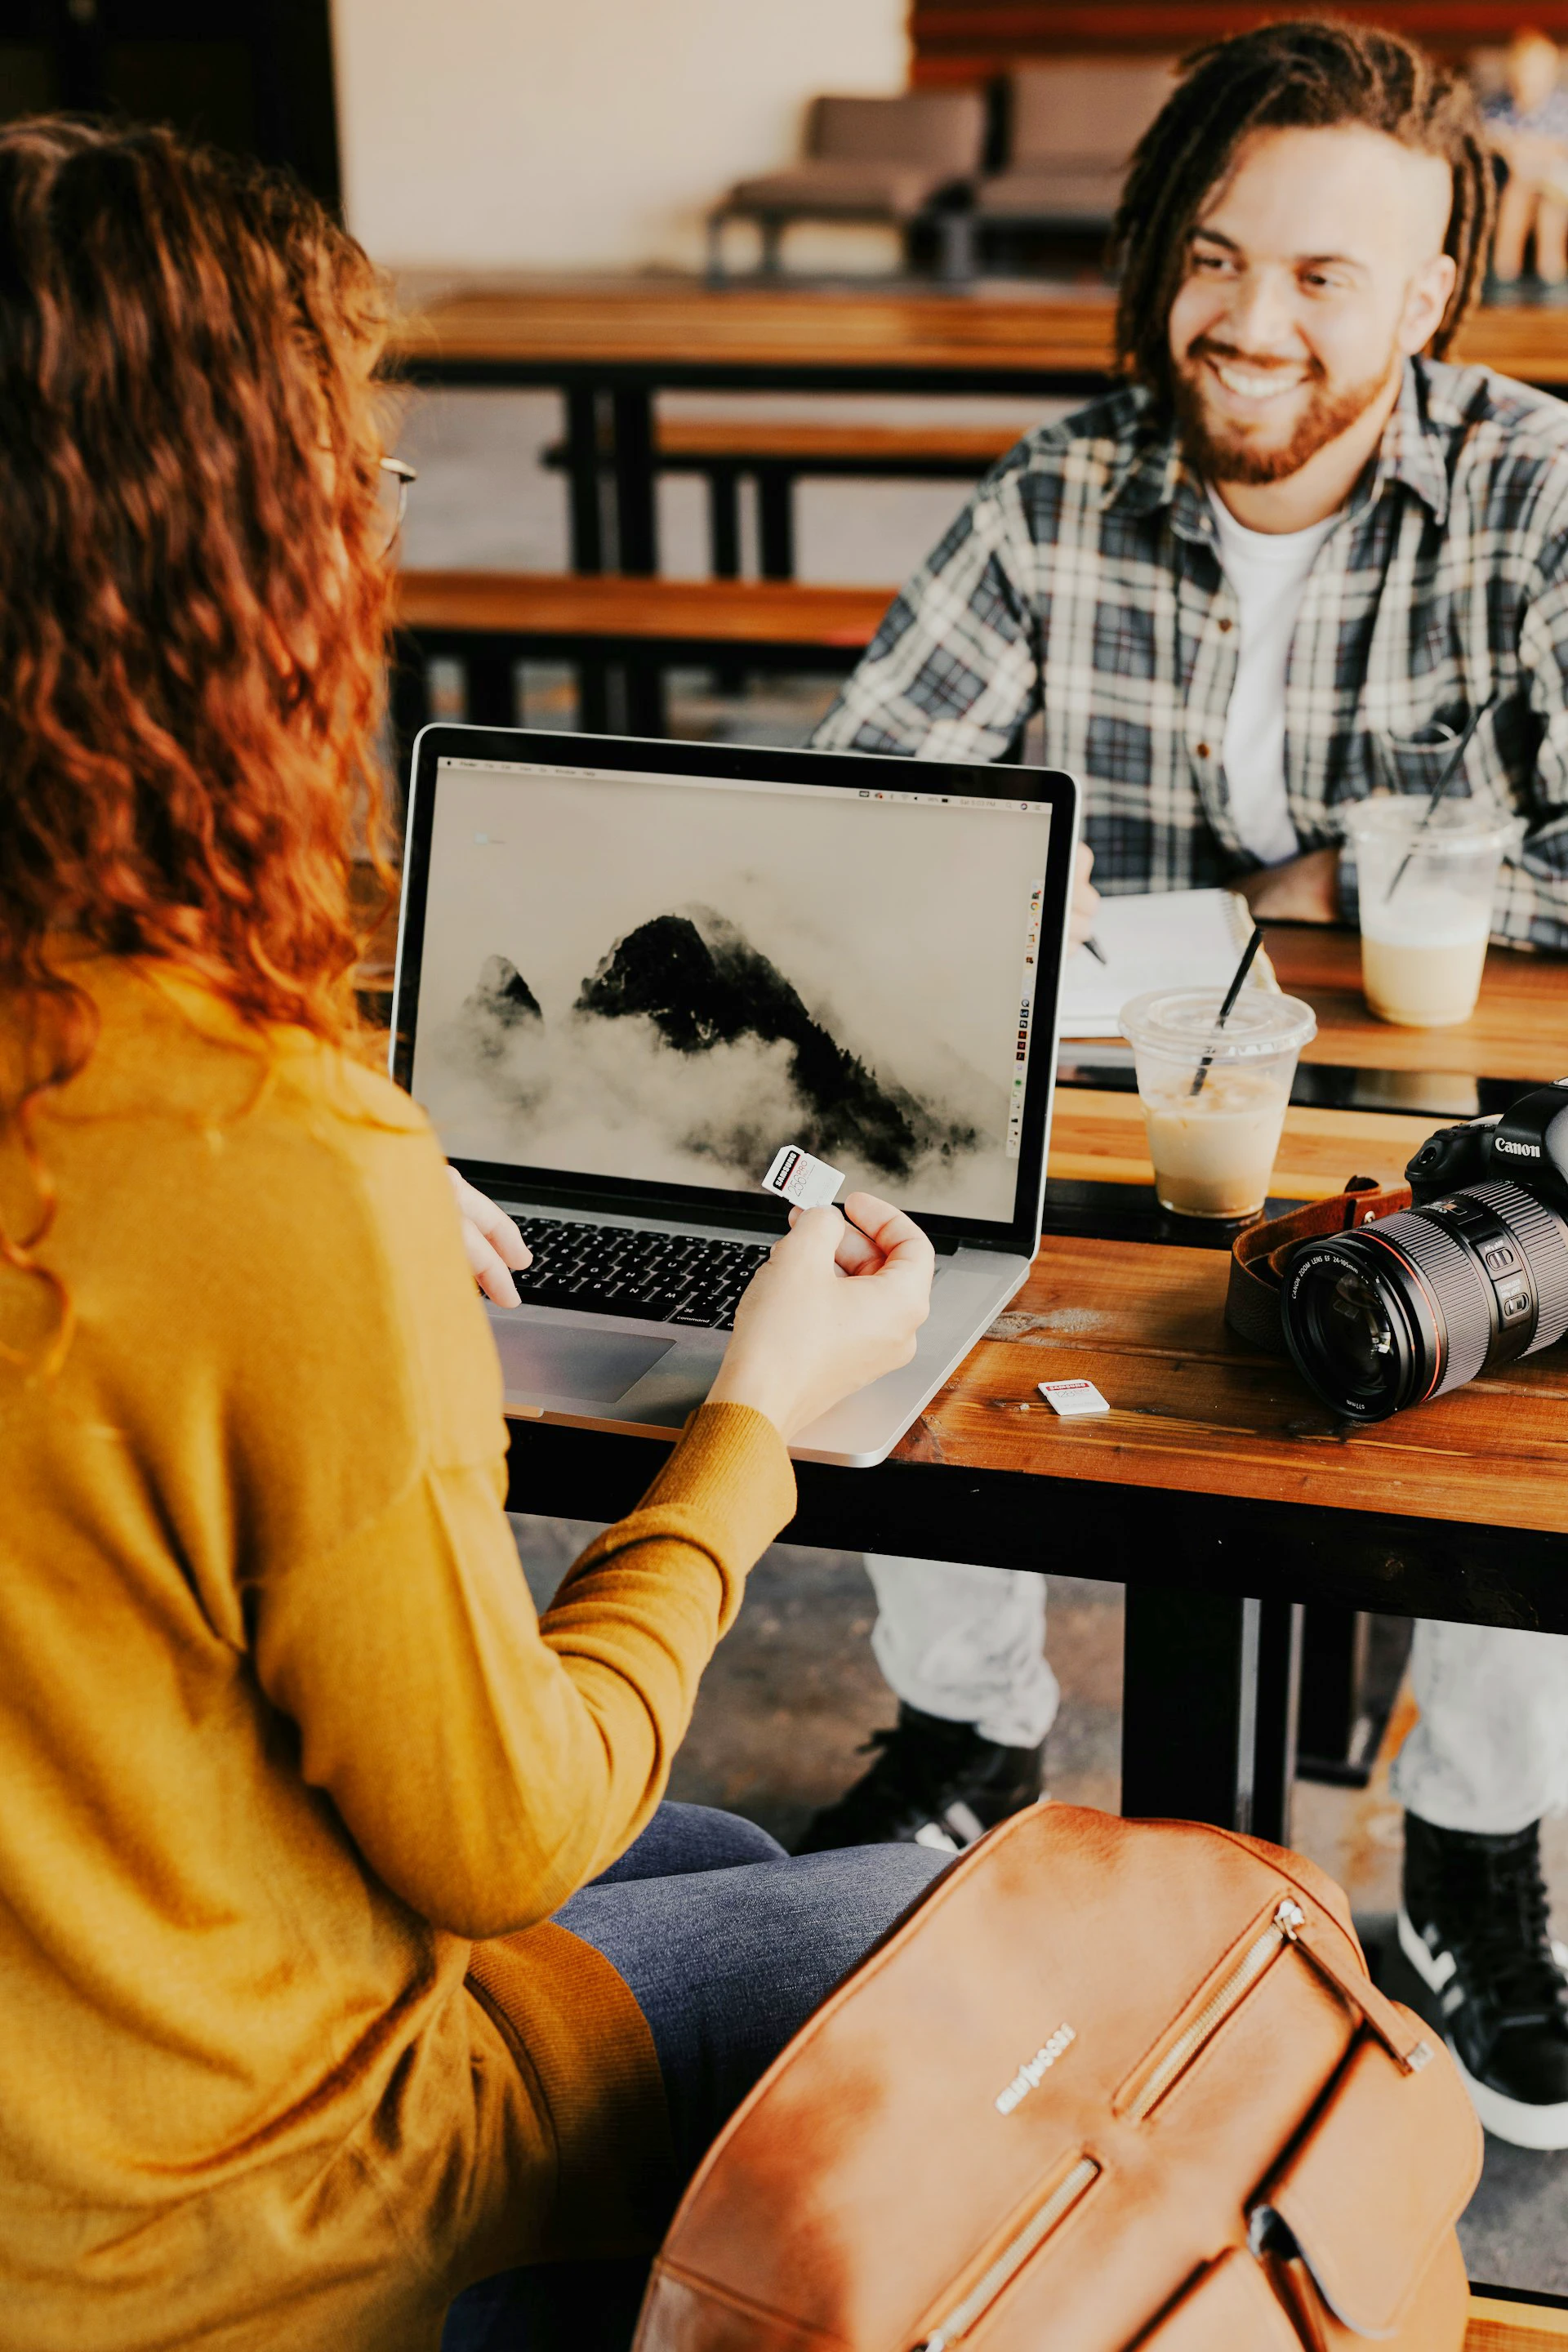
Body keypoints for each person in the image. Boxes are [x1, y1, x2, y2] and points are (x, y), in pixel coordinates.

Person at [0, 118, 946, 2352]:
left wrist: (314, 1205)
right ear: (235, 569)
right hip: (200, 2228)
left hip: (71, 2027)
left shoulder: (193, 1124)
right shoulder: (252, 1148)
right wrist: (758, 1426)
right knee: (942, 1912)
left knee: (713, 1862)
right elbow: (496, 1843)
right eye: (363, 490)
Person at [806, 16, 1568, 2152]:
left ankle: (1472, 1852)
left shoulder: (1536, 493)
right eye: (1217, 255)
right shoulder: (1058, 495)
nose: (1246, 322)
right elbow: (865, 815)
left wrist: (1291, 883)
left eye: (1327, 279)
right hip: (1125, 1102)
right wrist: (1344, 868)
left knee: (1537, 1324)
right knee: (865, 1191)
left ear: (1432, 297)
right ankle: (965, 1725)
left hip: (1440, 1122)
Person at [1482, 27, 1568, 301]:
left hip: (1558, 185)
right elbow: (1486, 135)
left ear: (1551, 74)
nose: (1527, 79)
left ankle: (1550, 271)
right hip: (1517, 182)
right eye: (1522, 70)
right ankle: (1505, 272)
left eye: (1535, 72)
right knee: (1518, 193)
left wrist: (1533, 152)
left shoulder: (1561, 108)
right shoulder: (1501, 107)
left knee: (1548, 207)